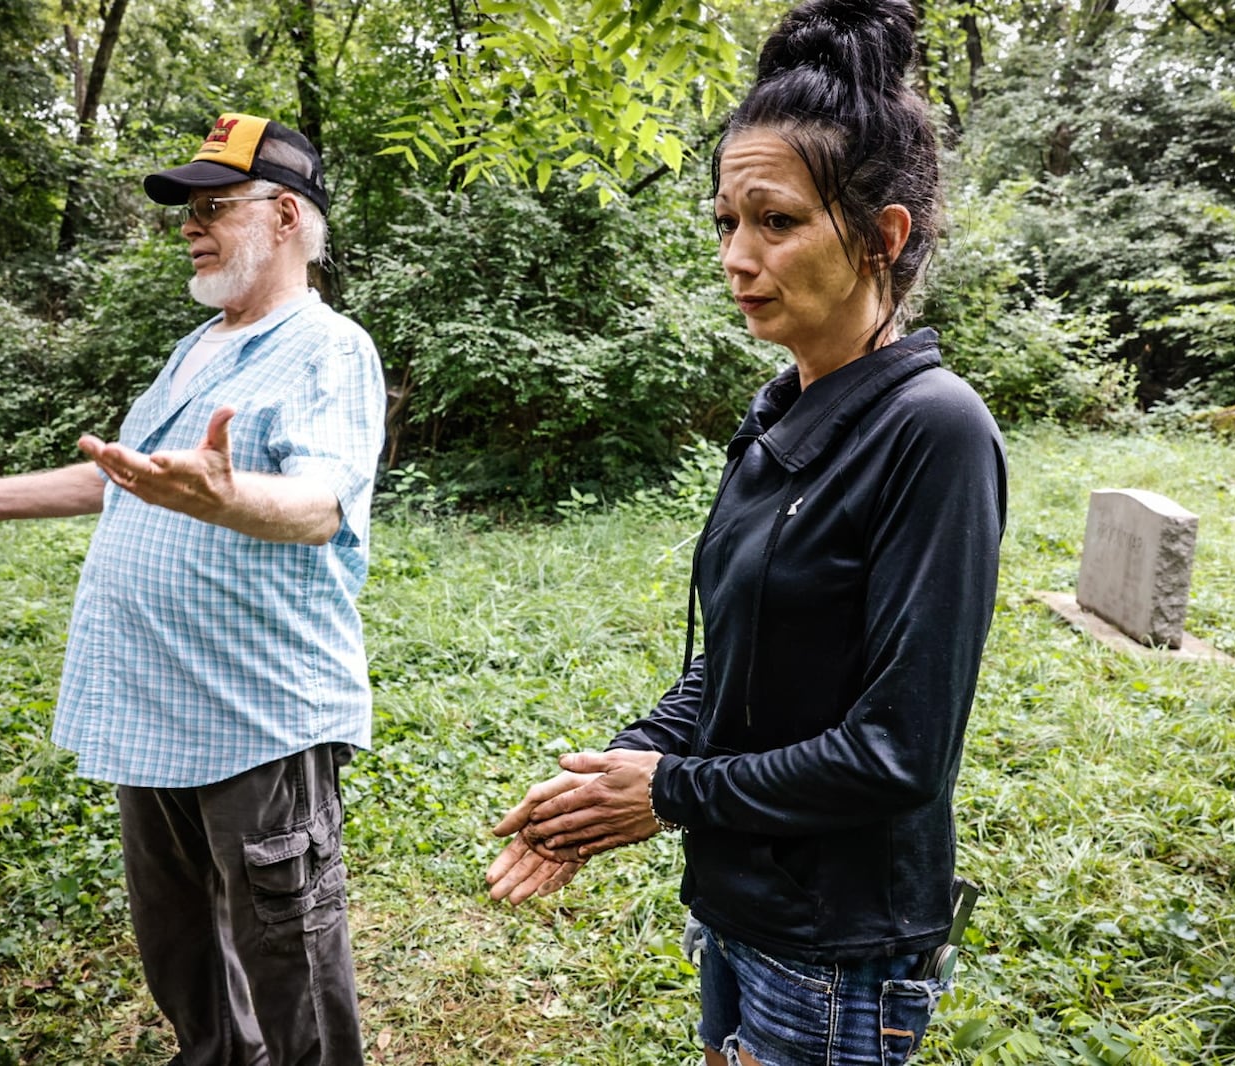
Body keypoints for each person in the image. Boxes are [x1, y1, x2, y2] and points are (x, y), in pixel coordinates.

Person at [486, 2, 1007, 1064]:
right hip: (740, 904)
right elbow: (740, 666)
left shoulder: (933, 431)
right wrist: (618, 774)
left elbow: (898, 753)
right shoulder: (781, 412)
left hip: (836, 948)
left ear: (882, 237)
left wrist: (668, 793)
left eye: (774, 222)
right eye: (725, 221)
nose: (736, 256)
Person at [0, 112, 385, 1066]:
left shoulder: (330, 348)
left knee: (289, 964)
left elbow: (320, 501)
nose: (191, 223)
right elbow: (124, 473)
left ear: (286, 218)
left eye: (214, 205)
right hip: (157, 710)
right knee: (182, 952)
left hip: (260, 713)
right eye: (186, 207)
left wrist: (234, 495)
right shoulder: (199, 345)